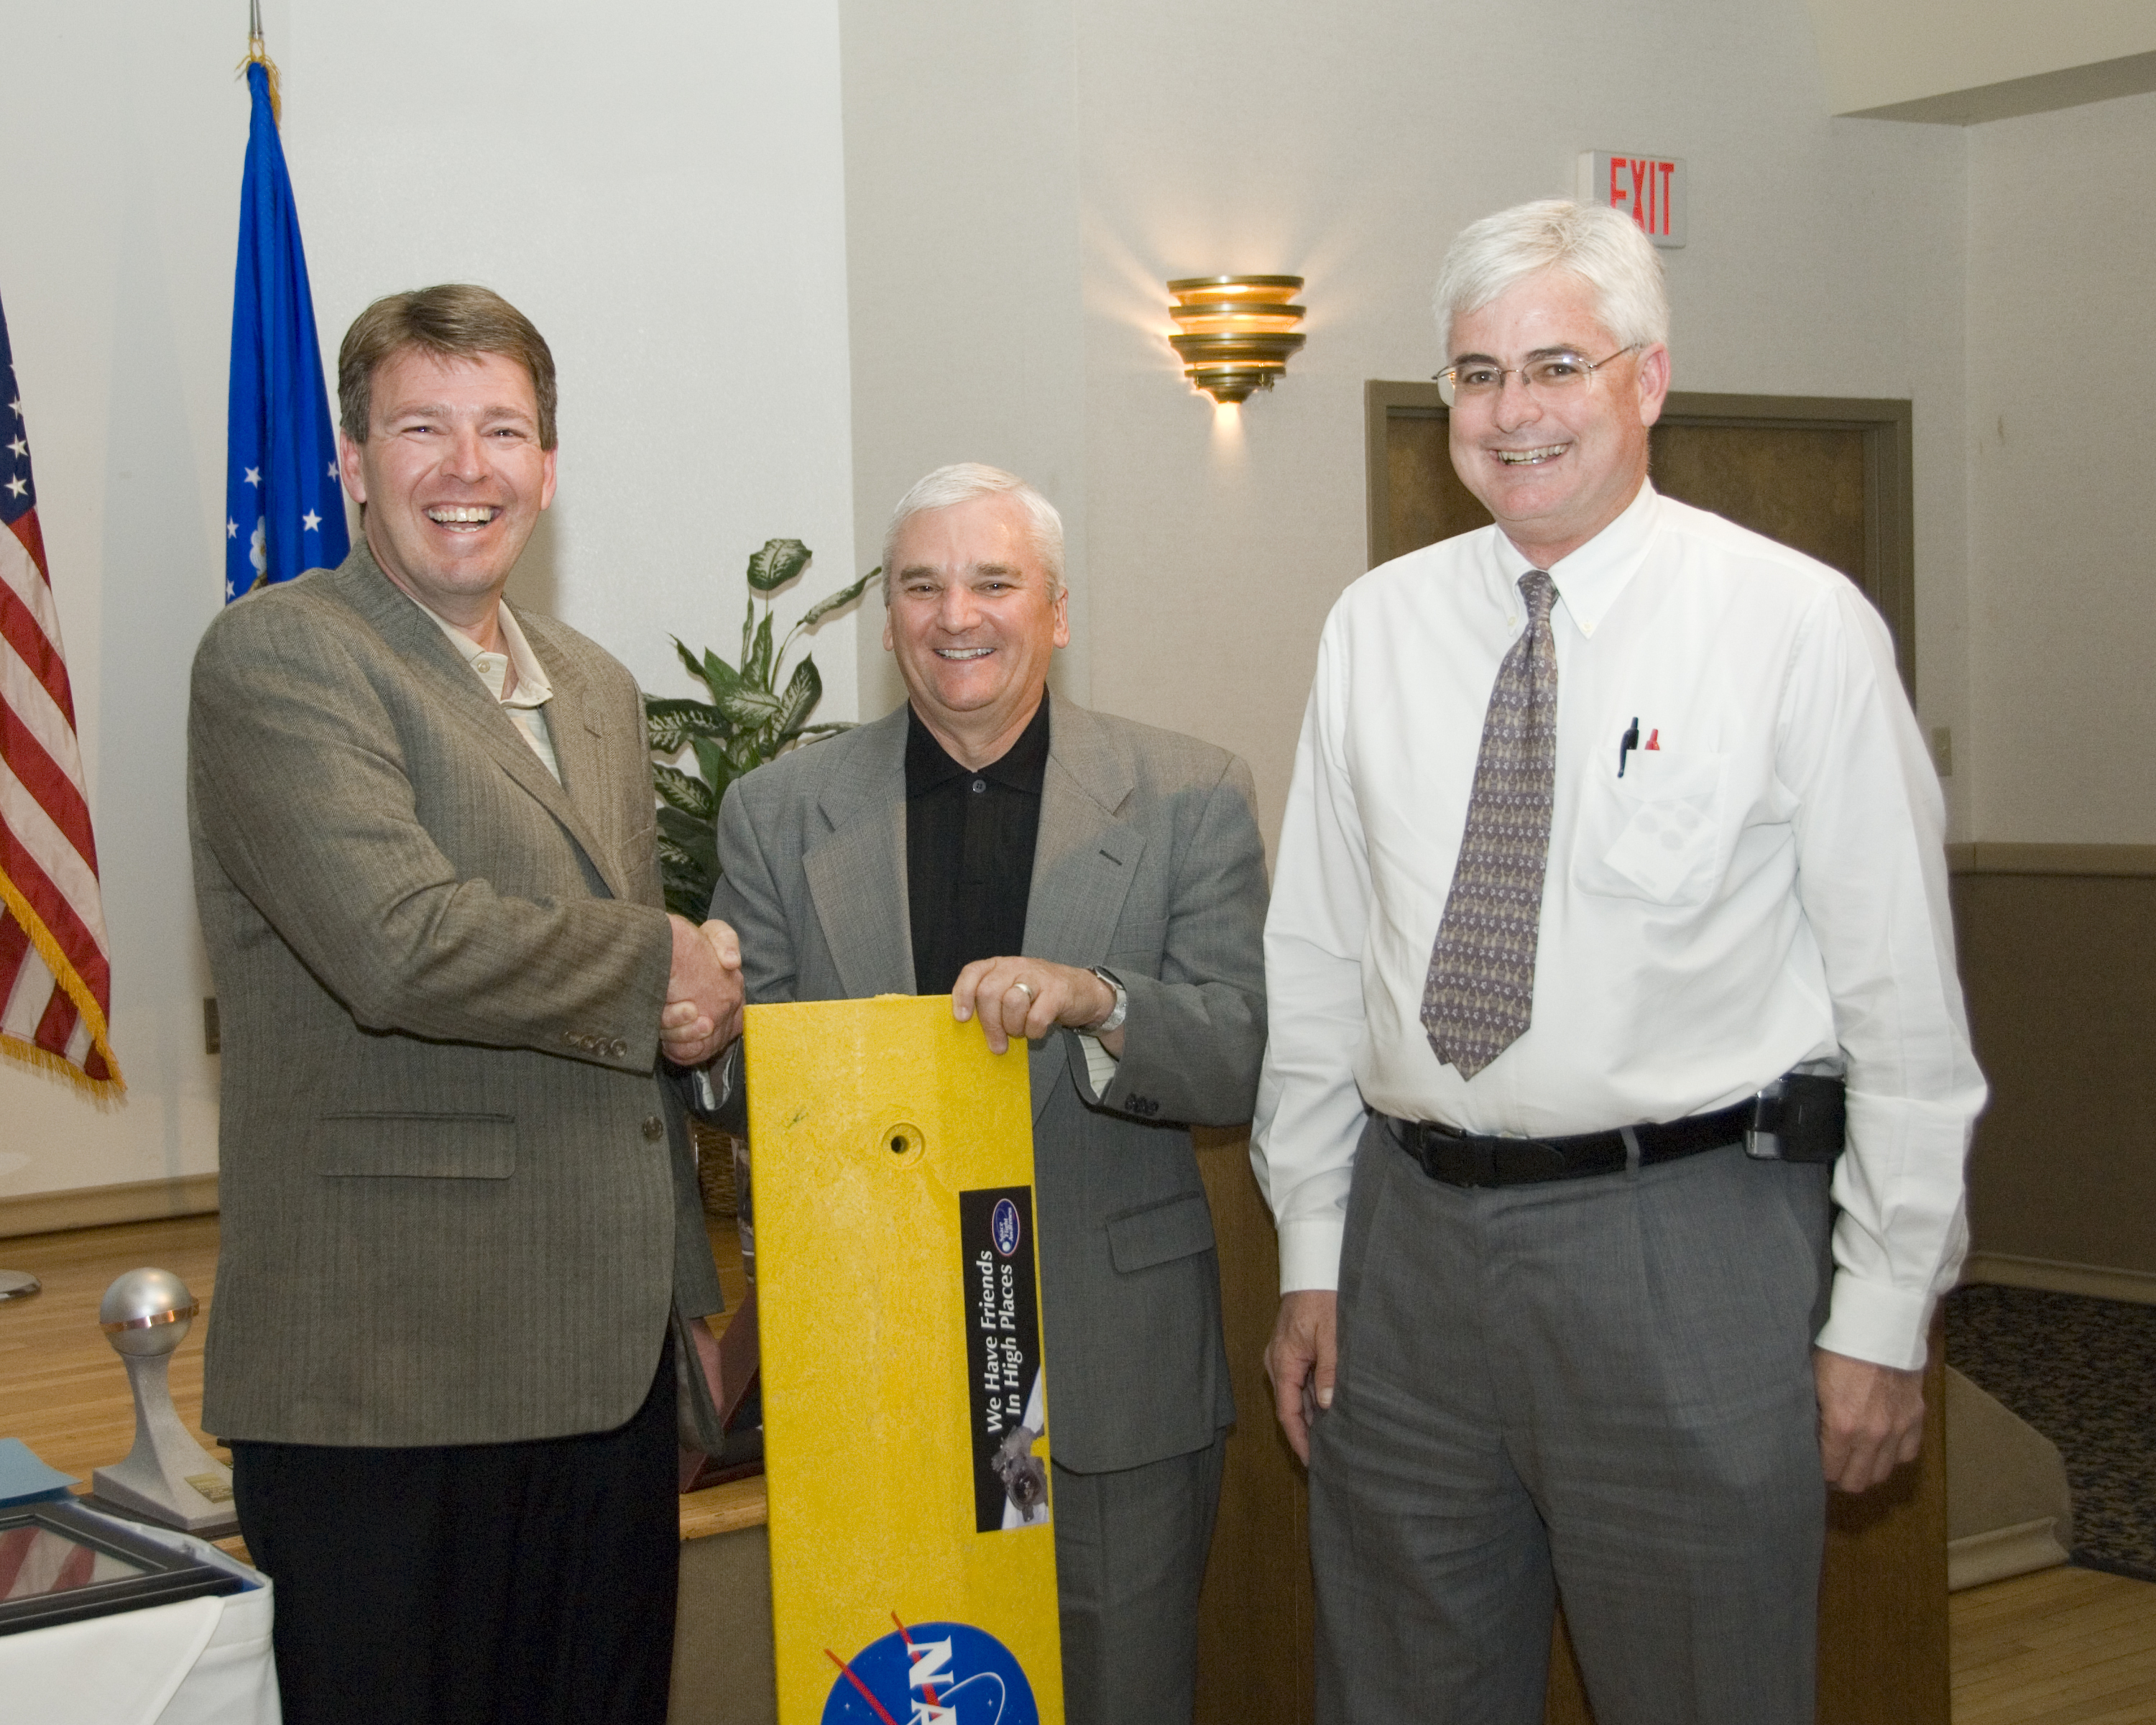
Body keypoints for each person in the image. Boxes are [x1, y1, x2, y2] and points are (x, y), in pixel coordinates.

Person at [1252, 201, 1986, 1724]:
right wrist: (1315, 1248)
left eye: (1556, 365)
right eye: (1476, 373)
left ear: (1648, 378)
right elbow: (1319, 962)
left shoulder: (1793, 626)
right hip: (1407, 1258)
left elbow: (1905, 1014)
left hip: (1689, 1248)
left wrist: (1882, 1312)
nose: (1511, 410)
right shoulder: (1376, 629)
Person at [188, 283, 742, 1725]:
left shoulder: (596, 688)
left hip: (606, 1373)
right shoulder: (281, 654)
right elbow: (399, 942)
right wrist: (661, 968)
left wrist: (685, 1300)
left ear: (547, 469)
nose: (466, 467)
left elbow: (615, 1029)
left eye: (502, 429)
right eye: (421, 427)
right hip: (393, 1376)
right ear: (353, 462)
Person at [699, 462, 1268, 1724]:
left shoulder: (1189, 794)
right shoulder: (778, 813)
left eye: (994, 582)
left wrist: (1101, 1000)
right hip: (876, 1369)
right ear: (888, 617)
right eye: (922, 586)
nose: (957, 615)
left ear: (1056, 611)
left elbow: (1238, 1051)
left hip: (1109, 1375)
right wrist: (704, 1035)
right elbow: (744, 1075)